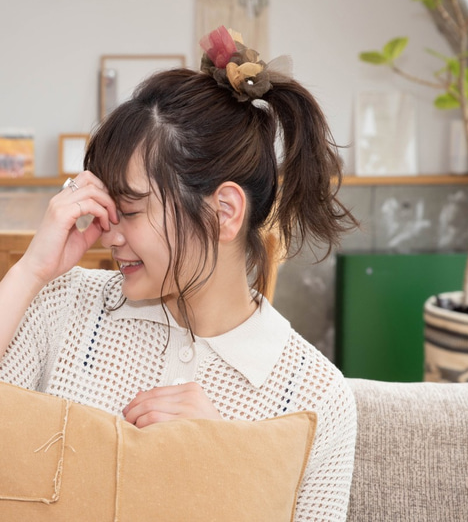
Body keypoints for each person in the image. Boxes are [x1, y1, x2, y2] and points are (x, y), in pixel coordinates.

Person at [0, 26, 359, 520]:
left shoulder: (316, 396)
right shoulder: (61, 302)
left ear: (223, 212)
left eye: (131, 209)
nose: (109, 234)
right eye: (109, 207)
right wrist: (31, 271)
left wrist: (222, 460)